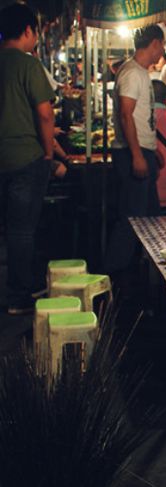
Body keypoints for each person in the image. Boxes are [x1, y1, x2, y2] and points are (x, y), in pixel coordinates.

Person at [0, 3, 55, 314]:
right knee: (22, 231)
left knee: (7, 231)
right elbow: (45, 115)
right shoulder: (28, 65)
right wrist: (48, 153)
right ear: (27, 31)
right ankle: (19, 297)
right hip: (25, 159)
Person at [106, 25, 165, 273]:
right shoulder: (132, 72)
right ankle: (114, 276)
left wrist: (151, 147)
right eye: (162, 45)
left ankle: (141, 276)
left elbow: (140, 118)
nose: (162, 51)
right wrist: (138, 155)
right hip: (131, 153)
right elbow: (126, 114)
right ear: (154, 43)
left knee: (149, 217)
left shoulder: (139, 72)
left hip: (141, 150)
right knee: (133, 219)